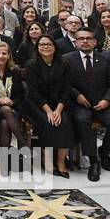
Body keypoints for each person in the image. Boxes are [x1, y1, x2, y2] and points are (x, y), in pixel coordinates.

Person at [61, 28, 110, 182]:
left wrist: (107, 99)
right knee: (82, 121)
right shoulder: (66, 59)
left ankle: (105, 152)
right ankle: (93, 161)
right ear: (76, 42)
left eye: (88, 38)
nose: (85, 41)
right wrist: (77, 95)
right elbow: (64, 84)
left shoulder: (106, 60)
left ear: (95, 42)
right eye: (81, 39)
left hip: (103, 103)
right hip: (79, 104)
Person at [24, 36, 73, 178]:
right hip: (37, 104)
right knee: (48, 122)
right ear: (37, 47)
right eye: (42, 44)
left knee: (64, 122)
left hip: (60, 103)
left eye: (49, 44)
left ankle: (61, 161)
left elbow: (67, 89)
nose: (45, 47)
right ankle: (48, 159)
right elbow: (33, 92)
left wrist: (57, 110)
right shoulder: (31, 65)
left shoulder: (64, 63)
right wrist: (49, 111)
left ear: (54, 46)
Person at [0, 42, 27, 173]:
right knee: (5, 111)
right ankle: (22, 143)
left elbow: (20, 95)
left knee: (4, 122)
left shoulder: (15, 71)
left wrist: (12, 102)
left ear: (9, 55)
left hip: (12, 109)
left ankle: (4, 163)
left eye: (4, 53)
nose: (1, 56)